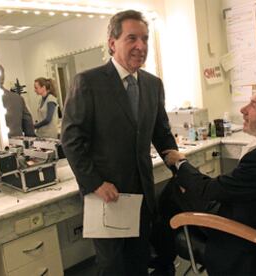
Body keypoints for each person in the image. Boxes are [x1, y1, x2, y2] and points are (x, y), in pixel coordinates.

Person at [61, 10, 178, 276]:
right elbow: (71, 138)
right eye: (132, 38)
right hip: (106, 194)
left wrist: (177, 162)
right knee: (113, 267)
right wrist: (95, 183)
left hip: (142, 193)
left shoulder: (152, 84)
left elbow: (161, 132)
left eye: (145, 39)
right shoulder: (88, 82)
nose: (141, 46)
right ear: (112, 43)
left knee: (138, 262)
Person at [151, 87, 256, 276]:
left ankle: (160, 260)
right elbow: (228, 186)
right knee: (179, 187)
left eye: (253, 105)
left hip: (239, 232)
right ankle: (161, 256)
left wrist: (181, 162)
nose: (243, 110)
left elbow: (208, 190)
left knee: (175, 188)